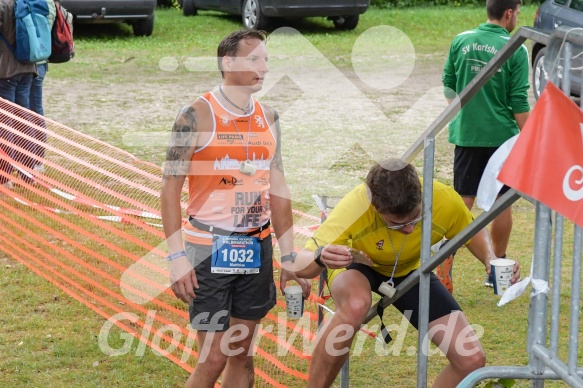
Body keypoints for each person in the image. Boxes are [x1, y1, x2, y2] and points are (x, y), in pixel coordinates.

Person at [282, 158, 521, 387]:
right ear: (375, 207)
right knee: (356, 304)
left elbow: (470, 229)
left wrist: (491, 258)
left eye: (415, 218)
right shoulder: (355, 207)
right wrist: (320, 255)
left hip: (408, 271)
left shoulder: (443, 198)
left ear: (421, 194)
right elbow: (301, 263)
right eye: (396, 223)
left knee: (471, 360)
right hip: (356, 266)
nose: (407, 228)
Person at [160, 30, 311, 388]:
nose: (264, 68)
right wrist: (176, 257)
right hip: (207, 250)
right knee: (213, 357)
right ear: (228, 63)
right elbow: (169, 188)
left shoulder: (269, 116)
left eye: (266, 60)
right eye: (254, 60)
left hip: (256, 246)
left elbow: (278, 187)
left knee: (242, 353)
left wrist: (288, 258)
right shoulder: (195, 115)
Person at [442, 0, 530, 287]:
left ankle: (443, 265)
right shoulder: (516, 47)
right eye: (518, 12)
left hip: (467, 135)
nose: (517, 17)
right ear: (509, 13)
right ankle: (498, 270)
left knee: (460, 205)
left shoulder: (461, 40)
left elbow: (448, 83)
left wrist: (463, 115)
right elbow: (519, 101)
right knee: (502, 202)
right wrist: (530, 141)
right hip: (502, 139)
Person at [0, 0, 38, 188]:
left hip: (7, 71)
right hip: (29, 66)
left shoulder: (3, 5)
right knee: (23, 119)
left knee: (5, 123)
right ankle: (28, 171)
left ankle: (5, 176)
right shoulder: (28, 2)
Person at [29, 0, 57, 174]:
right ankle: (37, 160)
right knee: (35, 110)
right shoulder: (50, 3)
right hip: (41, 60)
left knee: (28, 111)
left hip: (28, 62)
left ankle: (31, 160)